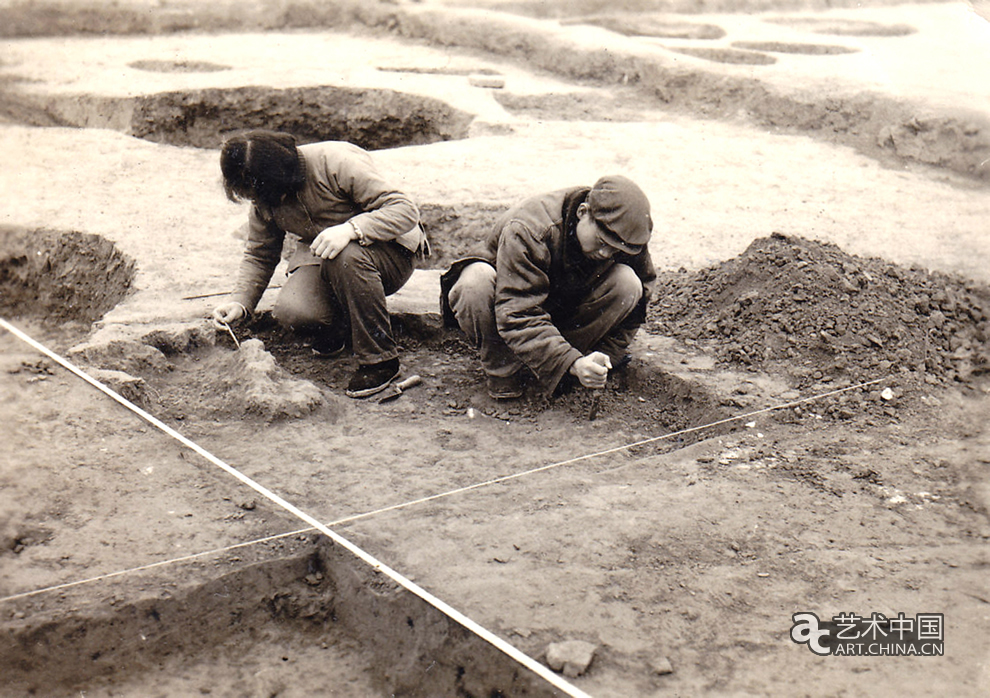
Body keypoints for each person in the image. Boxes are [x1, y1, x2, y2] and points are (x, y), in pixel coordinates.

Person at [211, 130, 428, 398]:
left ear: (281, 177)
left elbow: (404, 209)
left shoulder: (335, 161)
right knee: (294, 311)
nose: (259, 202)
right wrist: (240, 303)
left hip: (387, 251)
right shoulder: (263, 191)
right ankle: (342, 325)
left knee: (346, 255)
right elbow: (260, 252)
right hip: (328, 253)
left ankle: (380, 358)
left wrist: (351, 229)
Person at [440, 175, 656, 400]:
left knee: (628, 282)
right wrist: (571, 362)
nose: (605, 254)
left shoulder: (626, 235)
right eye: (601, 243)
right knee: (475, 282)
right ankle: (504, 370)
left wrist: (604, 356)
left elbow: (638, 305)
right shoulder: (530, 228)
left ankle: (561, 366)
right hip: (506, 312)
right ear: (583, 213)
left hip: (559, 311)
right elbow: (517, 312)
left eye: (614, 250)